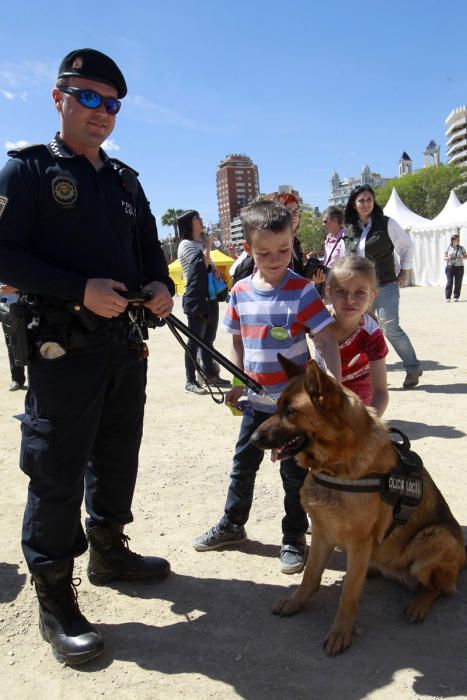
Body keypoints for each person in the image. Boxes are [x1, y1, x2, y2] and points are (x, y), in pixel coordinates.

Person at [0, 48, 175, 666]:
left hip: (125, 346)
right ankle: (55, 600)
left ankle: (109, 549)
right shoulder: (26, 172)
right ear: (59, 99)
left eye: (113, 104)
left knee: (116, 453)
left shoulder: (126, 181)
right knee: (56, 469)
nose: (103, 113)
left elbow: (151, 254)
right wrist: (79, 290)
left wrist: (160, 287)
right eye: (90, 99)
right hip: (63, 349)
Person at [192, 200, 341, 574]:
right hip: (256, 404)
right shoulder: (240, 292)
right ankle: (232, 524)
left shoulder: (303, 290)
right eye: (264, 252)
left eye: (283, 250)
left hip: (293, 410)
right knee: (243, 465)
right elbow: (238, 342)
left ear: (293, 241)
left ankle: (293, 536)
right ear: (247, 249)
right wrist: (238, 382)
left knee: (294, 474)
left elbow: (324, 339)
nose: (275, 259)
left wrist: (332, 385)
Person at [344, 185, 422, 389]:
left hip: (385, 284)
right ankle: (368, 375)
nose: (365, 203)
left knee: (390, 327)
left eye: (369, 199)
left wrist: (404, 271)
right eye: (361, 200)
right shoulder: (350, 229)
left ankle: (413, 367)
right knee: (365, 332)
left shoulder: (387, 223)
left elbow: (407, 246)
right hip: (360, 290)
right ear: (353, 203)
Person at [317, 256, 389, 416]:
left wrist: (369, 422)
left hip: (358, 398)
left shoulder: (371, 334)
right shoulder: (318, 319)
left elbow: (381, 391)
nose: (350, 299)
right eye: (341, 291)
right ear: (329, 292)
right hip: (322, 390)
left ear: (372, 296)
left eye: (360, 293)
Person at [177, 210, 230, 394]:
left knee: (208, 340)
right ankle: (190, 381)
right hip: (196, 299)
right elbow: (200, 266)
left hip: (209, 298)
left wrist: (215, 270)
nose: (200, 221)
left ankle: (210, 375)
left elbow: (208, 266)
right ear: (189, 223)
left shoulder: (198, 244)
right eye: (196, 218)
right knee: (194, 341)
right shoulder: (186, 245)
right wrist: (208, 245)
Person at [0, 283, 26, 390]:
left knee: (33, 344)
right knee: (12, 344)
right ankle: (17, 379)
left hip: (27, 307)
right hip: (7, 308)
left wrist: (16, 288)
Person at [444, 234, 466, 302]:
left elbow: (466, 256)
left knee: (458, 282)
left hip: (459, 267)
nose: (458, 241)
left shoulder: (461, 248)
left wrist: (462, 257)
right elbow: (444, 258)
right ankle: (448, 297)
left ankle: (456, 297)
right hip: (450, 267)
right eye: (457, 239)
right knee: (449, 282)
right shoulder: (448, 248)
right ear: (453, 240)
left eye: (459, 240)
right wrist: (449, 258)